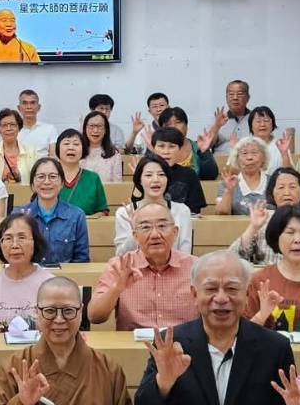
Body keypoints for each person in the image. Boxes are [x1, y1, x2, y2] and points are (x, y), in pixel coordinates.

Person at [135, 251, 295, 405]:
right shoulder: (172, 343)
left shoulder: (274, 348)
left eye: (232, 289)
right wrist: (164, 383)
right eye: (210, 289)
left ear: (247, 294)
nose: (221, 298)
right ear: (194, 294)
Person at [0, 276, 136, 405]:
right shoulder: (14, 367)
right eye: (49, 311)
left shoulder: (109, 370)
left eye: (69, 311)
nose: (59, 319)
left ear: (81, 311)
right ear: (36, 312)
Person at [90, 201, 198, 331]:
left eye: (162, 226)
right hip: (133, 342)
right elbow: (94, 317)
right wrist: (116, 288)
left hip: (183, 342)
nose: (155, 235)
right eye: (146, 227)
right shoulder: (119, 266)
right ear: (135, 236)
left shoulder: (195, 268)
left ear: (175, 232)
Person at [230, 169, 300, 265]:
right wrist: (253, 227)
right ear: (272, 193)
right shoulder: (263, 219)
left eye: (292, 187)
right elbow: (233, 257)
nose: (287, 192)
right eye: (281, 187)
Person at [0, 212, 54, 332]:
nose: (15, 245)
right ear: (0, 245)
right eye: (8, 238)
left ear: (35, 242)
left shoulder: (50, 284)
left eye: (22, 238)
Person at [115, 154, 194, 255]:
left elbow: (185, 254)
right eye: (149, 175)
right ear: (139, 180)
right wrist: (136, 229)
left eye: (161, 174)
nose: (156, 180)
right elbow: (120, 255)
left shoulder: (182, 211)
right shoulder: (124, 213)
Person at [24, 157, 90, 264]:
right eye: (41, 177)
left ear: (62, 183)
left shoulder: (76, 215)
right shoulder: (19, 215)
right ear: (32, 184)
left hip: (66, 274)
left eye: (53, 177)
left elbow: (81, 260)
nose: (47, 182)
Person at [150, 127, 211, 215]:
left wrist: (204, 152)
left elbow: (195, 210)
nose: (166, 151)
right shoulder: (146, 173)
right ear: (153, 149)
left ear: (180, 149)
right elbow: (137, 205)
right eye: (161, 146)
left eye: (172, 146)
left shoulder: (189, 174)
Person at [53, 129, 109, 216]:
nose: (71, 147)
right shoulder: (49, 177)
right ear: (58, 149)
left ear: (83, 150)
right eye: (66, 143)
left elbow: (103, 210)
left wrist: (90, 218)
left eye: (76, 144)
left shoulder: (93, 178)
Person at [214, 136, 271, 216]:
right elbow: (222, 213)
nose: (249, 157)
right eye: (244, 153)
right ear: (237, 159)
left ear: (263, 158)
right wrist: (229, 190)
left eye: (254, 153)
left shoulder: (273, 182)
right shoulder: (226, 183)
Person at [0, 107, 34, 185]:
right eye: (4, 125)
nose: (9, 128)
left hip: (24, 192)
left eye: (12, 124)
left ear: (19, 128)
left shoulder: (31, 151)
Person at [209, 79, 251, 157]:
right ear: (226, 98)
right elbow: (208, 145)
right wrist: (216, 127)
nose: (235, 97)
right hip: (222, 160)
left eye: (239, 94)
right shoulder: (218, 119)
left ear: (248, 98)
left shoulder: (256, 119)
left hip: (248, 161)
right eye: (231, 94)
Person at [80, 111, 123, 182]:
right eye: (91, 126)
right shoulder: (78, 152)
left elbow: (117, 185)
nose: (95, 130)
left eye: (99, 126)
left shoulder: (114, 155)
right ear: (85, 128)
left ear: (105, 130)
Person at [245, 106, 290, 172]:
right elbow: (232, 171)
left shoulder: (280, 146)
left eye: (266, 121)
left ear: (272, 124)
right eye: (258, 121)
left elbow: (290, 173)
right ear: (251, 125)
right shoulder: (244, 145)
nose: (262, 124)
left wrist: (284, 154)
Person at [17, 89, 57, 154]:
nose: (29, 107)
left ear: (39, 107)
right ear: (19, 108)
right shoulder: (12, 130)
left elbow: (53, 155)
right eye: (25, 103)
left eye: (32, 103)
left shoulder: (50, 129)